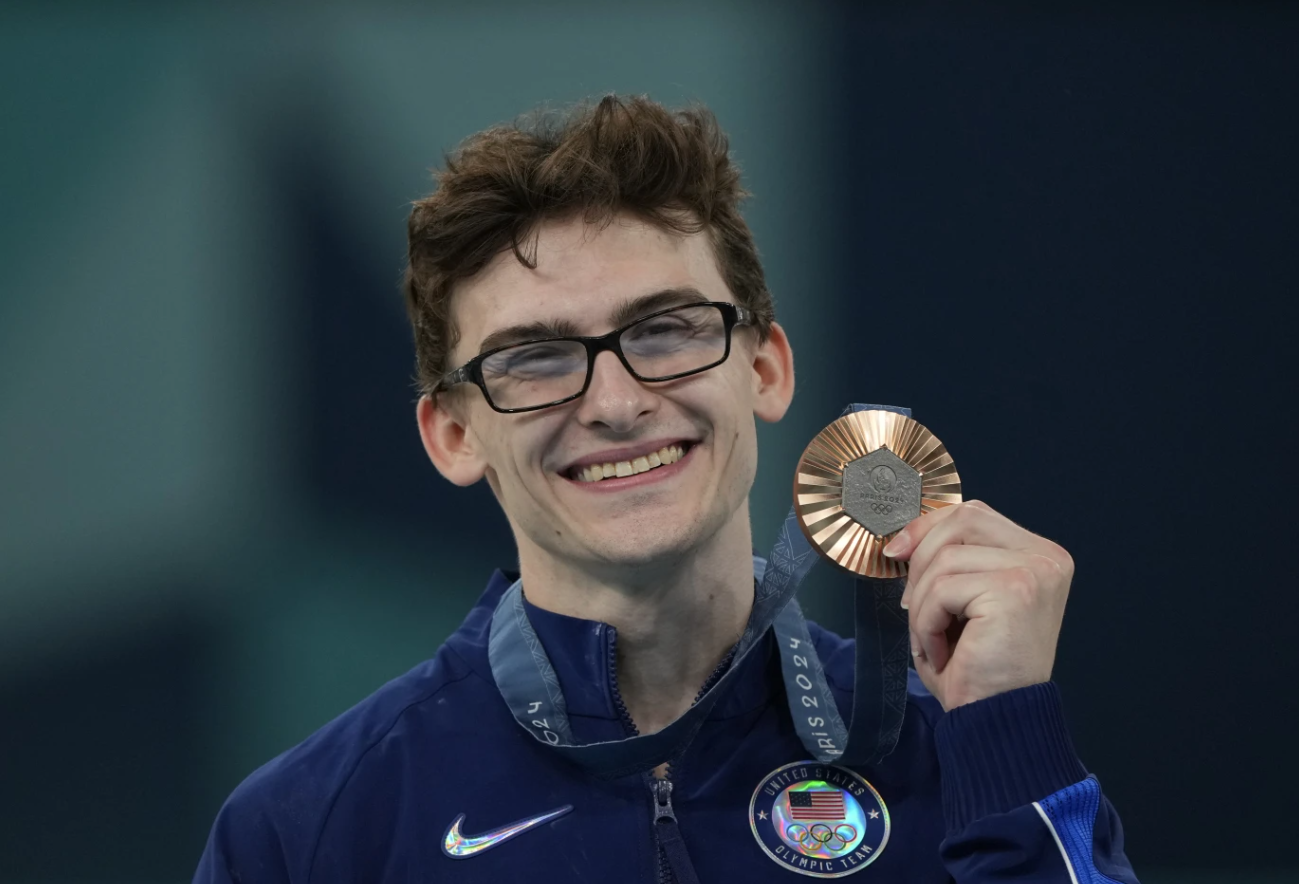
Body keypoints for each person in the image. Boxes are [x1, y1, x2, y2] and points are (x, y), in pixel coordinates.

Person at [194, 95, 1138, 883]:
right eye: (535, 358)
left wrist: (1006, 732)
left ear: (764, 369)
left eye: (667, 329)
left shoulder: (958, 747)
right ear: (453, 433)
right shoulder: (312, 829)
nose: (614, 401)